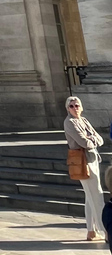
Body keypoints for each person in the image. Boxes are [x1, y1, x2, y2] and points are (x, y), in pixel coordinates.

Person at [64, 96, 105, 241]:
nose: (75, 108)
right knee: (97, 194)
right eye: (72, 106)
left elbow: (100, 138)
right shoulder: (69, 122)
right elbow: (84, 142)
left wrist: (92, 139)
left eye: (77, 105)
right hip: (83, 162)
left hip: (93, 159)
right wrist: (92, 139)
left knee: (90, 196)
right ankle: (105, 230)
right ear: (67, 108)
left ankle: (91, 230)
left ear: (81, 107)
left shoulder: (84, 120)